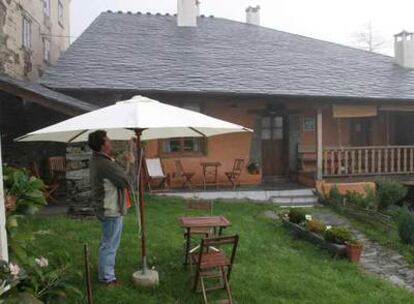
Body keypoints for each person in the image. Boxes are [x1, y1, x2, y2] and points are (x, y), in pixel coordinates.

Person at [88, 130, 131, 287]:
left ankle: (104, 273)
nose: (110, 141)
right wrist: (128, 163)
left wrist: (123, 160)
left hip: (107, 208)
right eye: (107, 140)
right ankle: (107, 278)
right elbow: (124, 180)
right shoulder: (104, 163)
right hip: (110, 209)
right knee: (110, 245)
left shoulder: (100, 160)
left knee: (107, 243)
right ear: (102, 144)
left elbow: (114, 169)